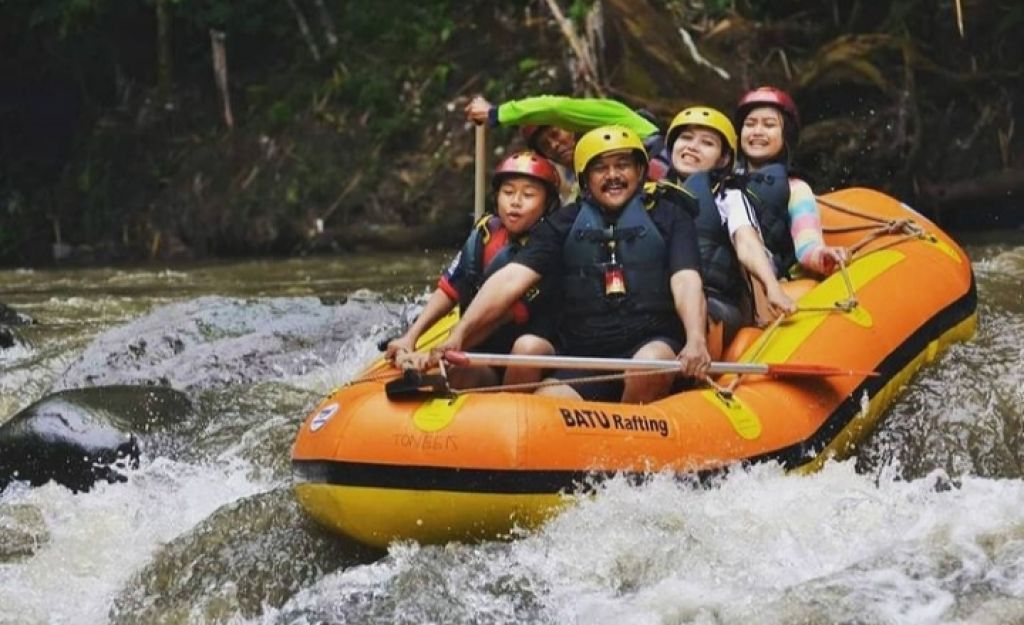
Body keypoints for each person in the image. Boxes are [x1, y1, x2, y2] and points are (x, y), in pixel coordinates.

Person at [429, 125, 710, 403]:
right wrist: (461, 334)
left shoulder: (670, 216)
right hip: (584, 352)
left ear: (639, 171)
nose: (613, 176)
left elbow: (686, 279)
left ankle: (630, 440)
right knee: (546, 404)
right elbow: (511, 278)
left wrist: (696, 338)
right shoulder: (563, 223)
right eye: (601, 168)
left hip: (652, 340)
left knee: (649, 364)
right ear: (585, 179)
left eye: (622, 165)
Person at [386, 151, 561, 388]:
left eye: (528, 195)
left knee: (526, 349)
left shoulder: (548, 247)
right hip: (483, 354)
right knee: (456, 372)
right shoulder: (485, 231)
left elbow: (499, 315)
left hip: (527, 356)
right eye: (508, 192)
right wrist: (411, 337)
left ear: (548, 204)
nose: (516, 201)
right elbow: (450, 289)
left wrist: (446, 346)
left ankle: (510, 412)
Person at [663, 106, 796, 356]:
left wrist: (772, 287)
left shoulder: (729, 197)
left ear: (723, 158)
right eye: (686, 138)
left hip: (718, 302)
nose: (692, 146)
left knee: (689, 314)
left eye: (707, 143)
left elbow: (747, 243)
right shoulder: (651, 197)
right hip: (665, 298)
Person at [733, 86, 849, 278]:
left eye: (769, 125)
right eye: (750, 124)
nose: (757, 132)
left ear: (785, 135)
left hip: (772, 282)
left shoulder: (796, 189)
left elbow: (807, 241)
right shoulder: (723, 182)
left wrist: (820, 255)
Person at [464, 95, 672, 199]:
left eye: (555, 134)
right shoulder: (581, 187)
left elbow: (555, 108)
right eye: (545, 145)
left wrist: (495, 113)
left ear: (571, 128)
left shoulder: (608, 114)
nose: (554, 145)